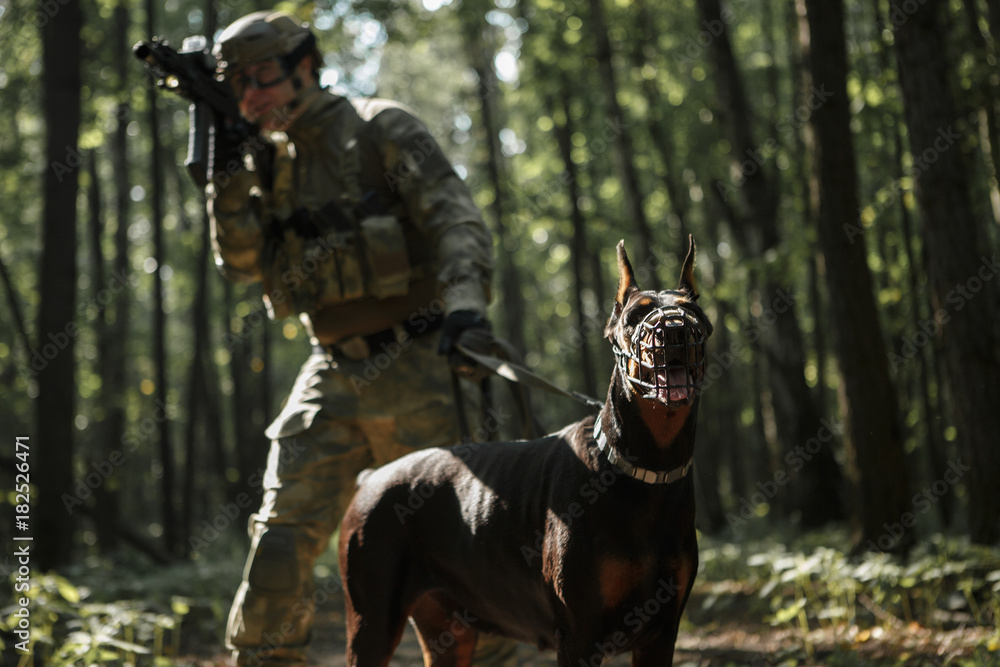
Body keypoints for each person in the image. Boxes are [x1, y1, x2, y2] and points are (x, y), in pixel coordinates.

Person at [206, 10, 518, 666]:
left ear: (306, 67)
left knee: (457, 551)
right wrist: (227, 178)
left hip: (419, 361)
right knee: (280, 542)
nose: (250, 96)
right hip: (331, 370)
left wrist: (465, 309)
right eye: (236, 85)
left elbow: (456, 220)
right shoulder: (265, 162)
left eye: (261, 77)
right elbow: (239, 263)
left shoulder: (383, 129)